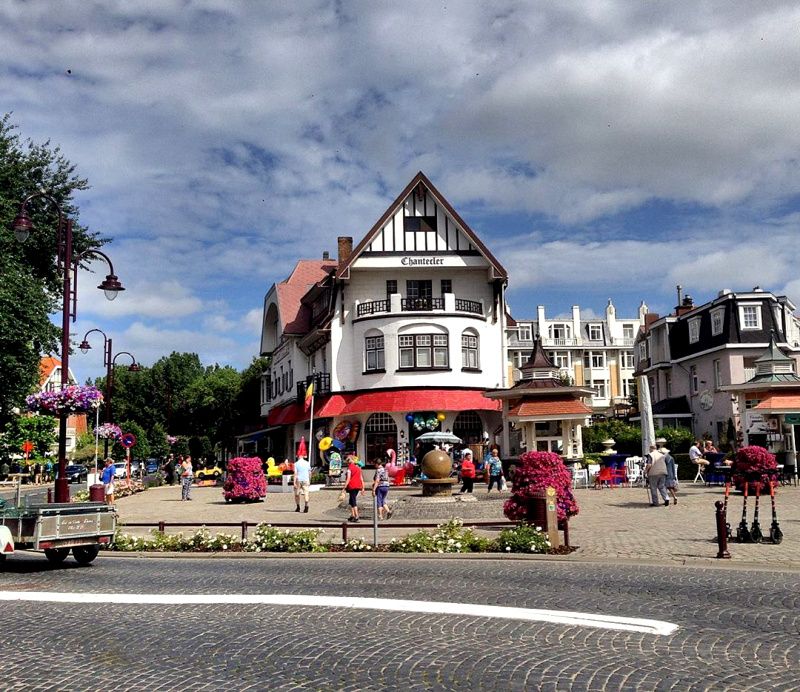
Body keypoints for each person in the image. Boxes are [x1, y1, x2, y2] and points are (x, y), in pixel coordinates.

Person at [343, 454, 364, 522]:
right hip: (358, 486)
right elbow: (361, 478)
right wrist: (363, 487)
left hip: (352, 486)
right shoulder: (358, 468)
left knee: (353, 501)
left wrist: (345, 486)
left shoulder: (350, 468)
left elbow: (348, 478)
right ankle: (352, 515)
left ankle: (357, 516)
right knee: (351, 501)